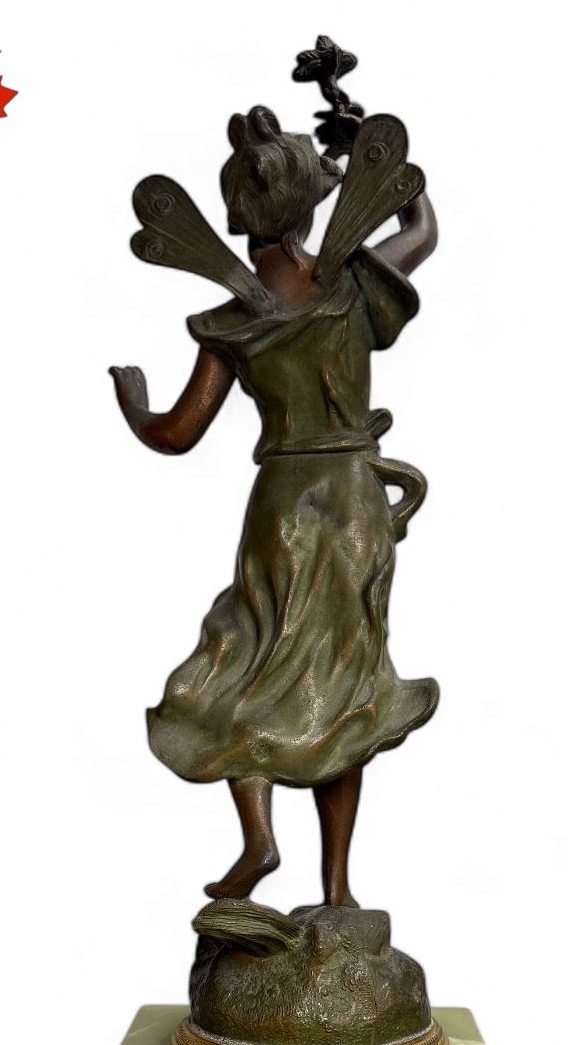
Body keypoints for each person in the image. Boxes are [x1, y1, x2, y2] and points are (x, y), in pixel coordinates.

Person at [110, 101, 439, 907]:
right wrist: (364, 140)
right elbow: (423, 226)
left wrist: (132, 401)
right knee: (347, 687)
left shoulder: (234, 321)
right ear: (312, 202)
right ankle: (337, 891)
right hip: (356, 503)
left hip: (282, 510)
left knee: (244, 662)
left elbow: (176, 433)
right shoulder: (353, 282)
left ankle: (258, 839)